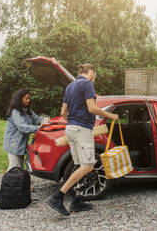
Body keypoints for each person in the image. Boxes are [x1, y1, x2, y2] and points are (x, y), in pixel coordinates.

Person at [46, 63, 118, 216]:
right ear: (91, 72)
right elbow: (92, 108)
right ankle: (57, 197)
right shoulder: (87, 84)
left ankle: (77, 200)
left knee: (79, 165)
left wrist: (72, 123)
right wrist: (111, 116)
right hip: (82, 129)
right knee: (88, 166)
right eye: (95, 74)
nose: (94, 77)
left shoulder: (70, 86)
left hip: (71, 128)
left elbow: (63, 112)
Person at [3, 89, 42, 171]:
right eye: (26, 98)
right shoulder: (15, 112)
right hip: (14, 145)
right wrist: (38, 128)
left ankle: (18, 183)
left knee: (19, 169)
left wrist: (45, 123)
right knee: (14, 169)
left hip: (21, 145)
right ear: (20, 99)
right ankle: (8, 183)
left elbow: (37, 120)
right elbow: (22, 127)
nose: (28, 100)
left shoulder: (27, 110)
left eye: (29, 98)